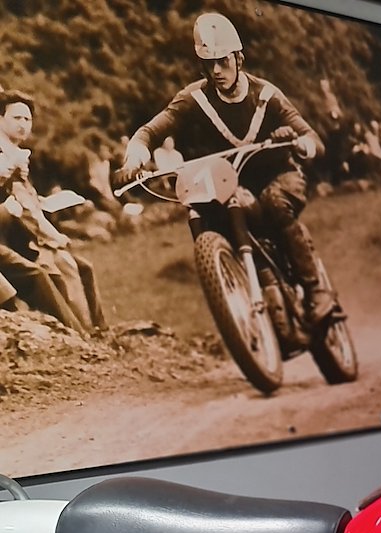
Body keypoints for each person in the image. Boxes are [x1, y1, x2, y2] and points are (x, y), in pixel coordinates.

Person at [119, 12, 335, 325]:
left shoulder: (266, 95)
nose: (217, 71)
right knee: (206, 216)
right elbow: (149, 131)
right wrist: (134, 159)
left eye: (223, 61)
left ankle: (316, 289)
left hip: (278, 175)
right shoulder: (195, 98)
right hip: (229, 183)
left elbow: (312, 138)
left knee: (275, 201)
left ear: (239, 59)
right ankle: (238, 291)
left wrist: (299, 143)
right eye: (209, 64)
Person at [0, 89, 98, 336]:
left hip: (22, 230)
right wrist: (51, 235)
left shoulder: (17, 155)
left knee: (80, 267)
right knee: (59, 268)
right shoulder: (6, 157)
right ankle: (81, 334)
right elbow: (19, 210)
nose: (23, 124)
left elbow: (24, 201)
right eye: (17, 118)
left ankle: (95, 330)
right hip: (18, 236)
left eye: (27, 119)